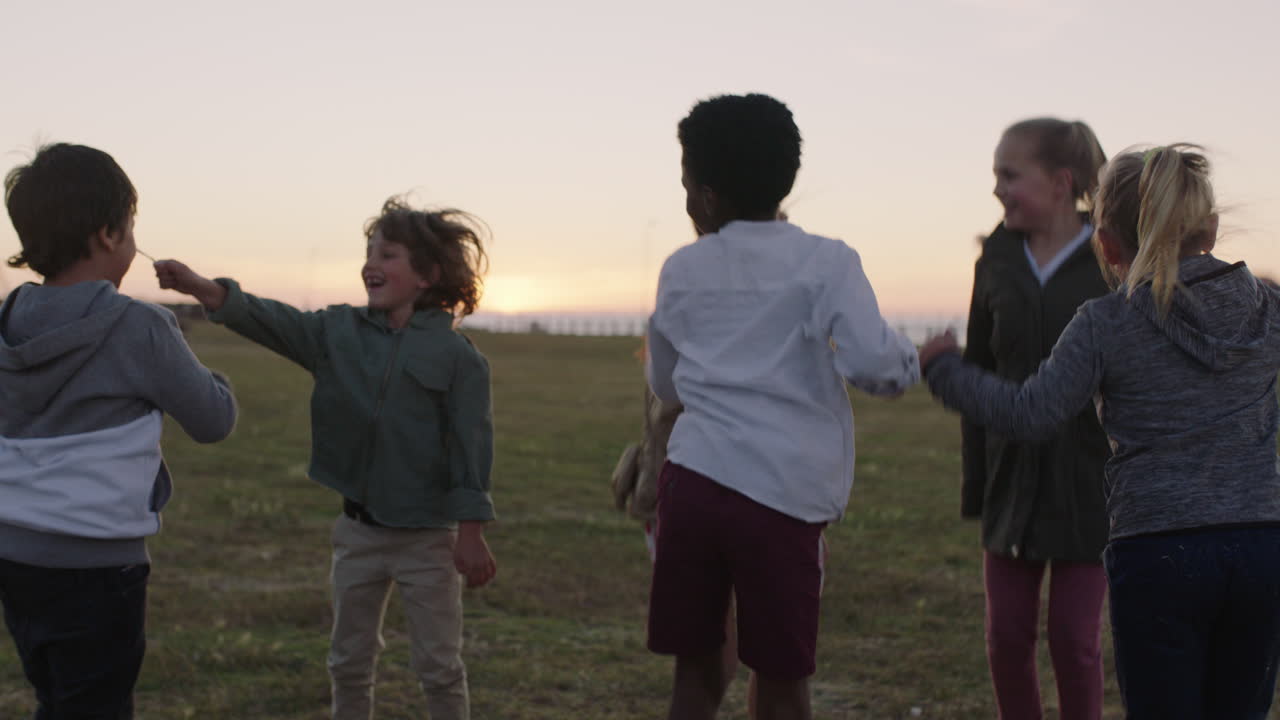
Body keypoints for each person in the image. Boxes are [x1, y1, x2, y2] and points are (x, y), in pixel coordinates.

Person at [921, 144, 1280, 719]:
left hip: (1158, 553)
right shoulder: (1268, 307)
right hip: (1262, 548)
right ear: (1210, 229)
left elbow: (1030, 413)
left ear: (1107, 246)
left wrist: (944, 369)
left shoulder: (1106, 323)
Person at [154, 197, 497, 720]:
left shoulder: (459, 359)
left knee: (439, 666)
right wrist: (202, 288)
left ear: (427, 275)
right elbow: (273, 320)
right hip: (358, 532)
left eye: (387, 255)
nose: (370, 265)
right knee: (348, 661)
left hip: (428, 541)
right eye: (369, 253)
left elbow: (472, 450)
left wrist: (470, 534)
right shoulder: (337, 332)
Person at [645, 93, 919, 720]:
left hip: (691, 488)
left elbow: (667, 383)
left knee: (694, 670)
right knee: (781, 676)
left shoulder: (680, 269)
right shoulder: (828, 263)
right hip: (781, 500)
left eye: (685, 187)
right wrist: (915, 358)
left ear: (706, 196)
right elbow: (877, 367)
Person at [0, 142, 239, 717]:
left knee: (56, 694)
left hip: (13, 553)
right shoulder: (141, 326)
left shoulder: (6, 318)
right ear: (109, 234)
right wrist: (212, 375)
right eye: (131, 226)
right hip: (97, 567)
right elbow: (213, 420)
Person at [961, 117, 1113, 719]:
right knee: (1006, 640)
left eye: (1009, 175)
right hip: (1012, 483)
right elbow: (977, 372)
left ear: (1060, 182)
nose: (997, 189)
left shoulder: (1112, 259)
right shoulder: (995, 260)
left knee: (1075, 643)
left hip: (1092, 487)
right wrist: (979, 482)